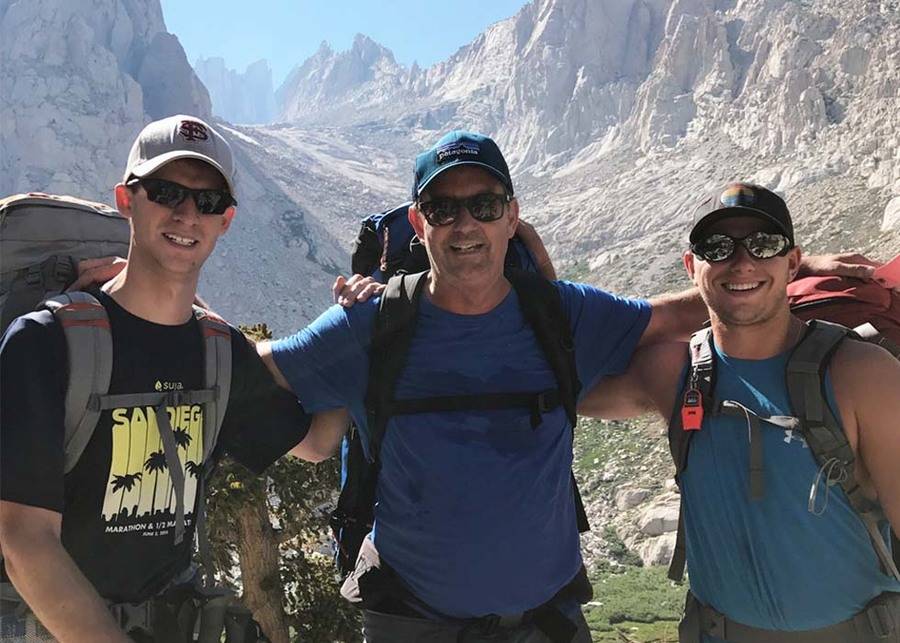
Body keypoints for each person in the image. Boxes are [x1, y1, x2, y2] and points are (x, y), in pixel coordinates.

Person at [0, 115, 334, 642]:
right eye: (165, 191)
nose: (186, 213)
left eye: (207, 201)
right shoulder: (45, 342)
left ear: (226, 220)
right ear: (126, 200)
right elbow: (24, 538)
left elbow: (315, 443)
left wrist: (364, 324)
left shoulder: (220, 351)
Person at [579, 183, 900, 642]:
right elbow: (560, 385)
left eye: (764, 245)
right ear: (692, 267)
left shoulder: (862, 374)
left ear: (792, 262)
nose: (742, 261)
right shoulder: (673, 372)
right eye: (718, 247)